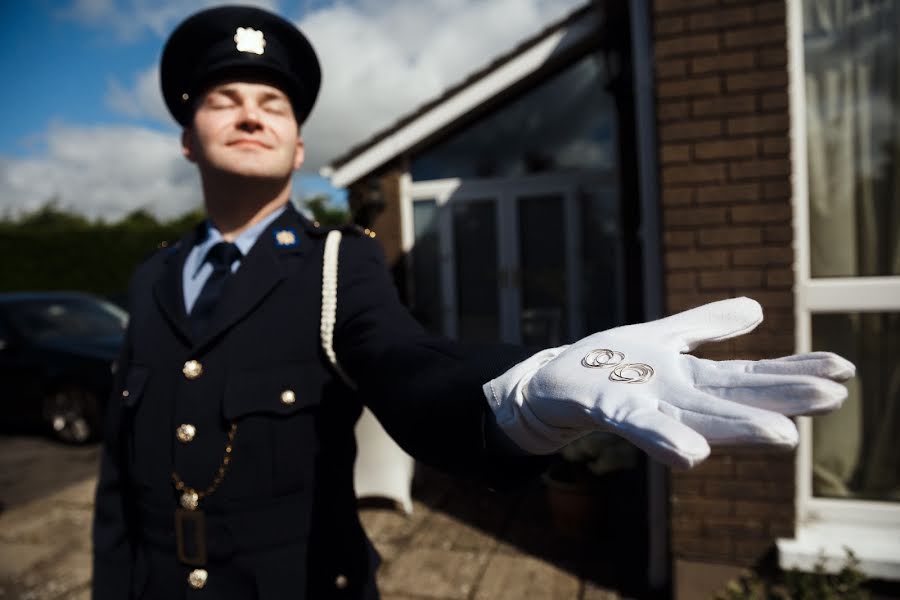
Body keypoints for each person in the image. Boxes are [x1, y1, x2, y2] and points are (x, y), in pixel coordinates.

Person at [91, 6, 854, 600]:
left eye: (273, 103)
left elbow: (407, 366)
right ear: (189, 139)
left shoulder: (335, 264)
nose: (251, 114)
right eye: (225, 100)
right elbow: (119, 481)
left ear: (297, 147)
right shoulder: (153, 277)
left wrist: (523, 393)